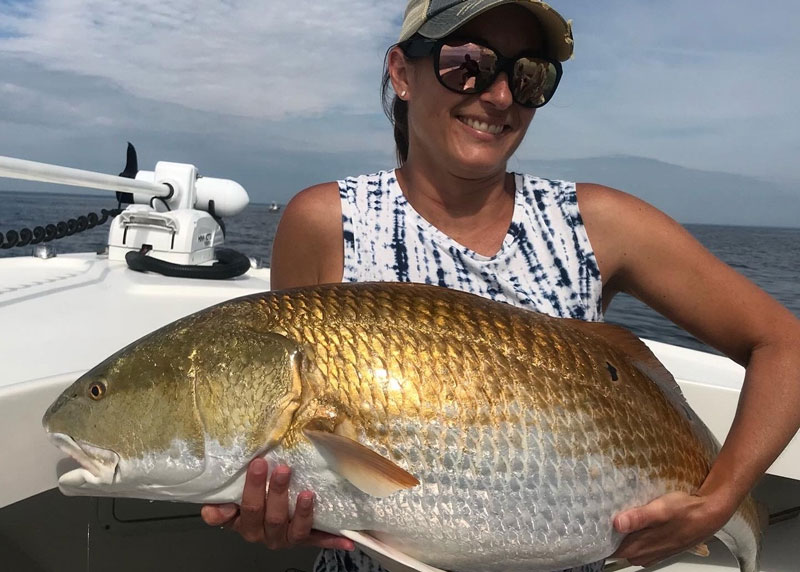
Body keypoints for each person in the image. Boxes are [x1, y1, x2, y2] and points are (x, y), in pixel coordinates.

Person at [201, 1, 800, 571]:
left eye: (530, 76)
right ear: (402, 72)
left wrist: (721, 498)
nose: (501, 95)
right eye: (467, 63)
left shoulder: (600, 223)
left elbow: (784, 344)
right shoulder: (323, 221)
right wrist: (276, 504)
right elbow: (290, 448)